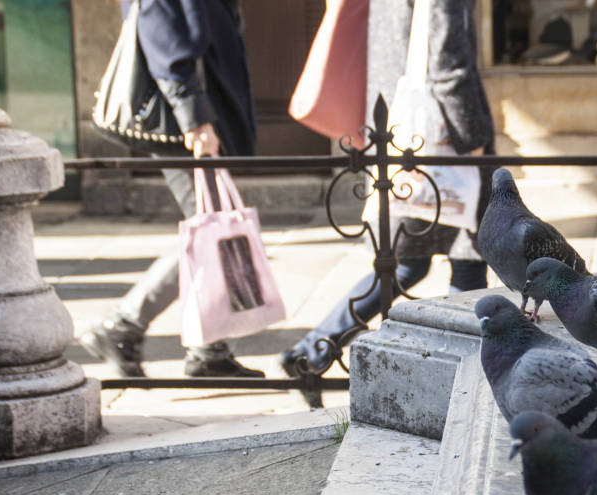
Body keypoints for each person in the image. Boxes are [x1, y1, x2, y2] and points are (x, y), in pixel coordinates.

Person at [279, 0, 494, 395]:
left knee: (405, 264)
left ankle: (311, 352)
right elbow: (449, 63)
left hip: (401, 131)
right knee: (465, 263)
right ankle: (466, 387)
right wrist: (474, 137)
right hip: (441, 140)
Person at [80, 0, 264, 378]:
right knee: (209, 230)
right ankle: (122, 326)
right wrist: (193, 117)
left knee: (213, 227)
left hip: (199, 119)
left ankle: (210, 350)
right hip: (182, 126)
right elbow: (163, 39)